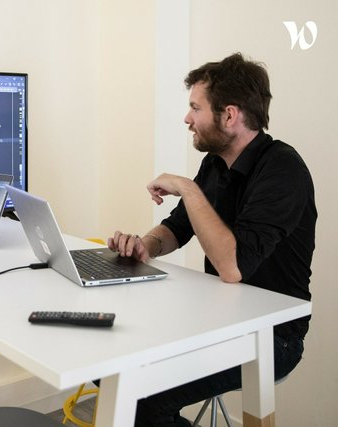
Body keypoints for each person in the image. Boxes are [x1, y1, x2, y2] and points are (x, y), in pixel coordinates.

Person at [108, 53, 316, 426]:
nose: (187, 119)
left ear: (230, 115)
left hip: (272, 337)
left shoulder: (283, 169)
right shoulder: (216, 163)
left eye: (195, 108)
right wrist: (146, 245)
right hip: (218, 319)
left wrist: (187, 188)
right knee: (111, 368)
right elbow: (178, 227)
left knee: (141, 398)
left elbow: (232, 267)